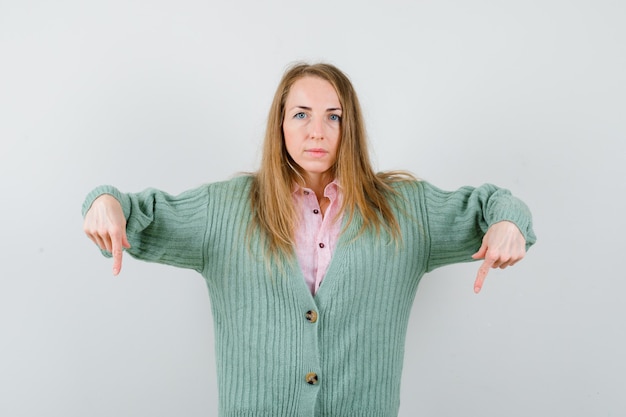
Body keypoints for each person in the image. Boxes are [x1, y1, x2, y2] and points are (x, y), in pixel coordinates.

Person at [82, 62, 536, 417]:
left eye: (332, 117)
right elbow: (136, 214)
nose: (316, 131)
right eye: (301, 114)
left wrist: (508, 223)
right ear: (279, 124)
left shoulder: (404, 209)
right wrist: (104, 201)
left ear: (349, 127)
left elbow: (491, 206)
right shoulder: (225, 209)